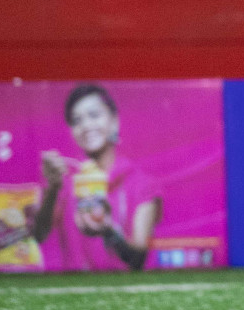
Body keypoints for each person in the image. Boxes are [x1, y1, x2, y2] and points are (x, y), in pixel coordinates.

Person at [31, 83, 160, 272]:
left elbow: (138, 259)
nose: (86, 126)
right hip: (72, 293)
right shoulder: (64, 181)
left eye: (94, 115)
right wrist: (51, 189)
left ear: (114, 121)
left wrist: (108, 231)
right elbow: (39, 235)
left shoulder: (141, 184)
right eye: (76, 120)